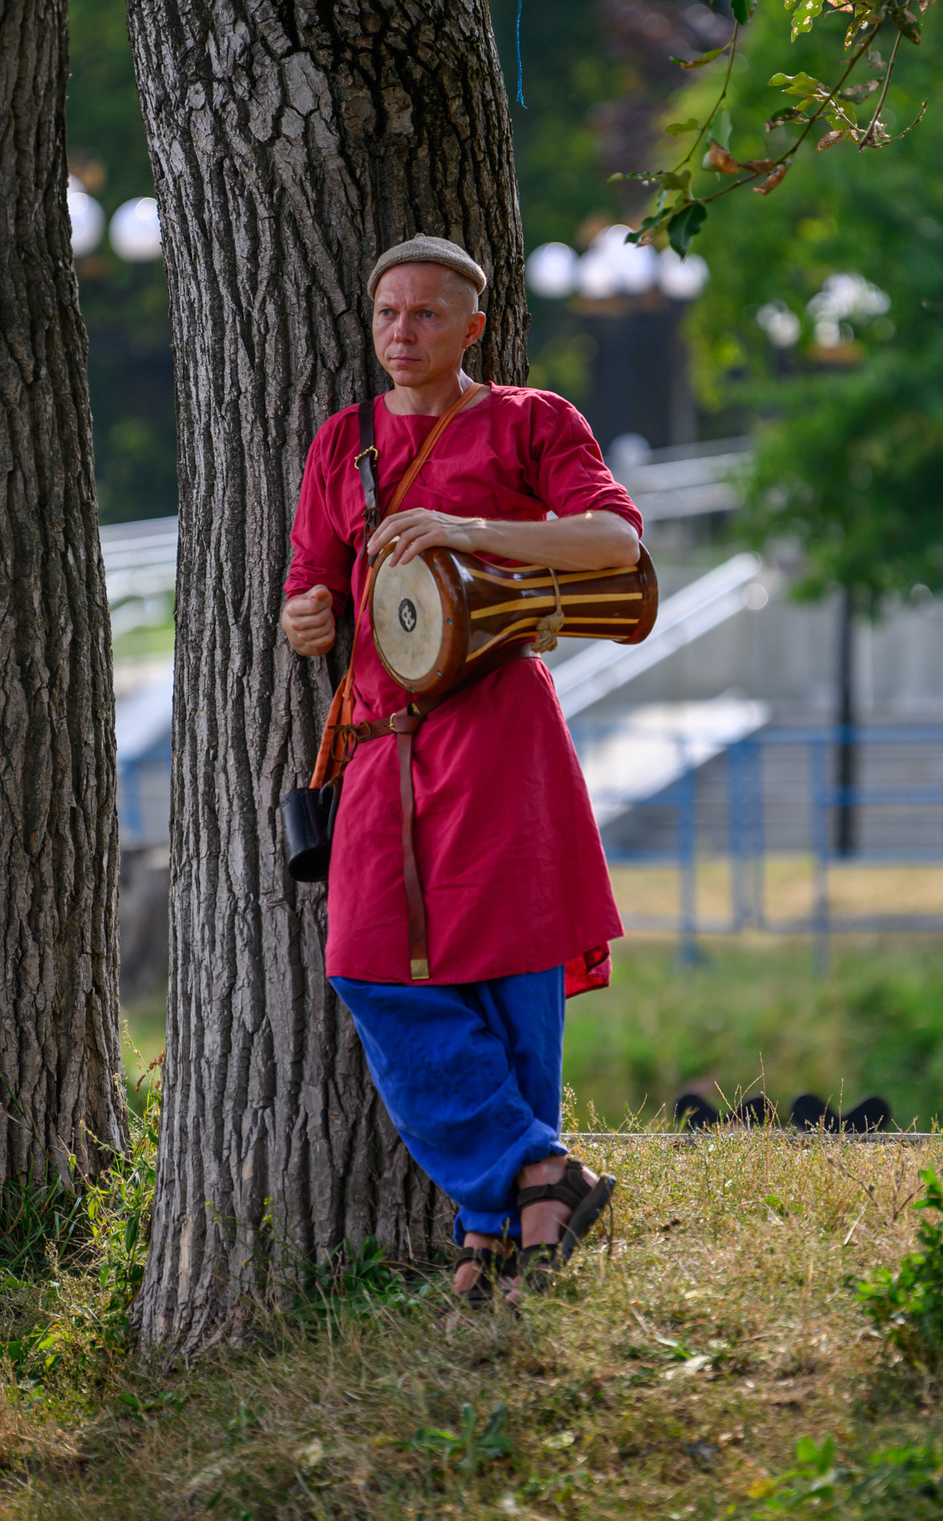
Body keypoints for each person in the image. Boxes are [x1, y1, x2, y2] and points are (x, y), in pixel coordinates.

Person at [280, 234, 635, 1301]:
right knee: (365, 960)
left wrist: (470, 525)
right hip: (383, 744)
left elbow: (615, 544)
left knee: (510, 970)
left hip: (499, 728)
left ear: (471, 327)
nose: (402, 334)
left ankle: (502, 1235)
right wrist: (308, 615)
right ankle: (537, 1171)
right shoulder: (342, 442)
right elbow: (315, 585)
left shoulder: (535, 421)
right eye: (388, 315)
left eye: (427, 316)